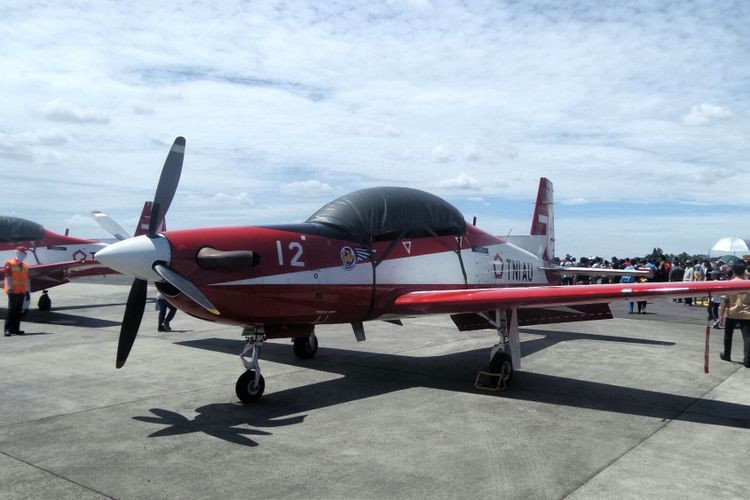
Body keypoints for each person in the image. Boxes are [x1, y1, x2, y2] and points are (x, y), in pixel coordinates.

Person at [718, 263, 750, 367]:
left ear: (734, 271)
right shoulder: (748, 283)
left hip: (731, 313)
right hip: (746, 313)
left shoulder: (729, 284)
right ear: (744, 271)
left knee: (728, 335)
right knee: (747, 337)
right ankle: (747, 360)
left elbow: (723, 301)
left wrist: (720, 315)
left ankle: (727, 355)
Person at [4, 246, 30, 336]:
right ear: (17, 253)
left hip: (21, 291)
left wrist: (27, 291)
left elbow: (26, 279)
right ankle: (7, 329)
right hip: (13, 290)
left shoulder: (26, 266)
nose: (23, 255)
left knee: (18, 310)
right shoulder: (10, 263)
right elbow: (7, 277)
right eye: (22, 253)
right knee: (11, 310)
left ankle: (15, 329)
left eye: (24, 254)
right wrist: (10, 287)